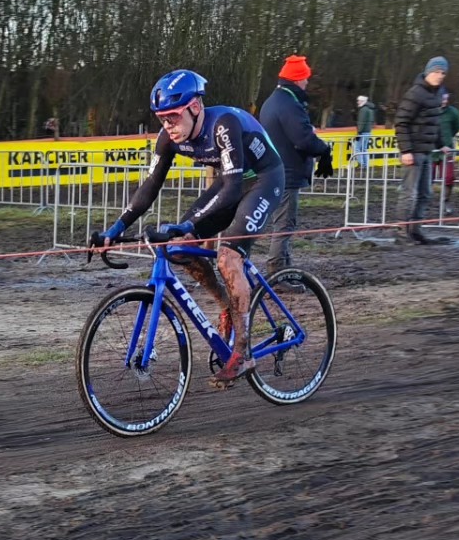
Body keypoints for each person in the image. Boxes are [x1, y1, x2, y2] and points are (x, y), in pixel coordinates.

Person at [90, 69, 285, 386]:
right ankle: (227, 306)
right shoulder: (168, 137)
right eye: (161, 118)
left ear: (195, 107)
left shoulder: (223, 125)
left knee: (228, 258)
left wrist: (189, 223)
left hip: (263, 180)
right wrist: (115, 229)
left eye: (173, 116)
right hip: (230, 181)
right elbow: (150, 187)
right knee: (180, 248)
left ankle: (243, 352)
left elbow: (233, 189)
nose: (168, 125)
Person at [257, 55, 332, 276]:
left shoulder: (272, 101)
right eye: (305, 78)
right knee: (284, 225)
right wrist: (324, 150)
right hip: (286, 173)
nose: (307, 82)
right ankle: (277, 271)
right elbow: (303, 138)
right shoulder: (290, 104)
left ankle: (285, 268)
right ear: (298, 79)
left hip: (275, 169)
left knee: (283, 223)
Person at [394, 56, 451, 244]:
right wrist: (406, 151)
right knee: (409, 193)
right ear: (428, 72)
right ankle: (402, 233)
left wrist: (441, 143)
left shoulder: (438, 93)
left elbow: (435, 122)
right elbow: (401, 122)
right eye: (436, 72)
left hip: (427, 151)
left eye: (443, 73)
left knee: (425, 193)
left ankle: (416, 230)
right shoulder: (415, 93)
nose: (439, 76)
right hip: (413, 151)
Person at [435, 88, 459, 200]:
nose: (445, 101)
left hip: (447, 149)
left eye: (446, 98)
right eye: (442, 99)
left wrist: (447, 138)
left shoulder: (453, 112)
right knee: (426, 177)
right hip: (431, 149)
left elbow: (457, 127)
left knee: (449, 177)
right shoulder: (428, 111)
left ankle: (446, 200)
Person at [354, 94, 375, 169]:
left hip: (362, 132)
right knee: (364, 148)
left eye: (358, 101)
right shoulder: (370, 109)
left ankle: (361, 164)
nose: (357, 102)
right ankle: (366, 164)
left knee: (357, 148)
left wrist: (359, 132)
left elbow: (361, 122)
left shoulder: (363, 110)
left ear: (362, 101)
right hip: (368, 131)